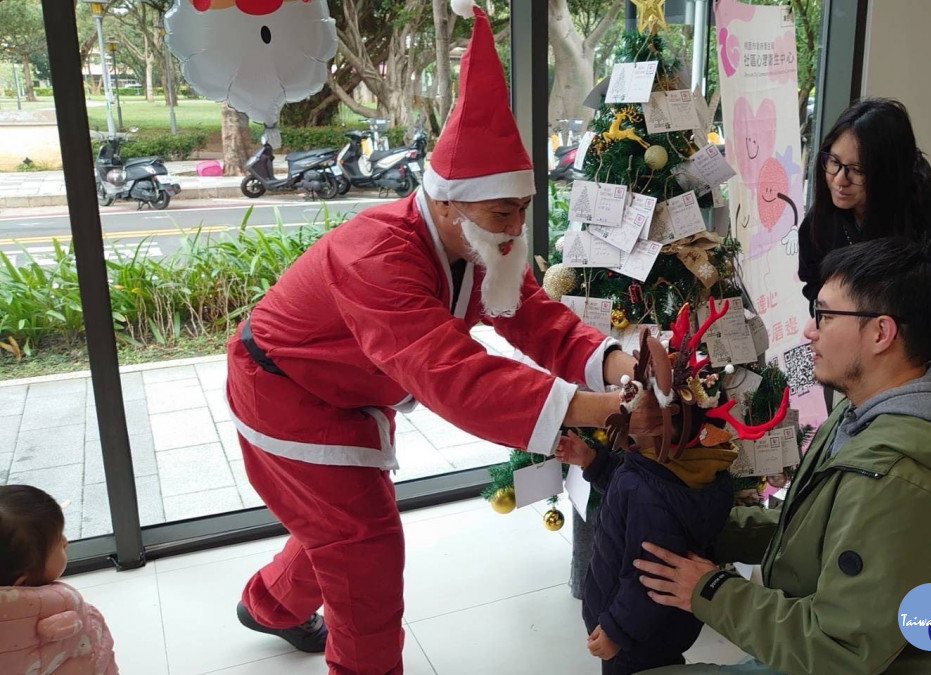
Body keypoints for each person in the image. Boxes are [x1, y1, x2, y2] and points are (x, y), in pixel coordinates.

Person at [225, 4, 654, 673]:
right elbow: (451, 372)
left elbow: (535, 317)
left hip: (343, 386)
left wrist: (616, 362)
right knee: (360, 540)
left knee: (333, 525)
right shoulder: (378, 255)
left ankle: (268, 604)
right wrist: (589, 407)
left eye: (523, 209)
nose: (516, 228)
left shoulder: (478, 238)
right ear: (449, 203)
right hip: (284, 390)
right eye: (501, 211)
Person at [631, 237, 931, 674]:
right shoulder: (861, 412)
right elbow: (812, 528)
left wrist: (709, 591)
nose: (810, 330)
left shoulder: (895, 481)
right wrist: (707, 527)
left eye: (823, 315)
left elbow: (840, 651)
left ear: (881, 332)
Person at [785, 97, 931, 379]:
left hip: (916, 382)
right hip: (866, 375)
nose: (839, 179)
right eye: (833, 162)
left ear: (888, 174)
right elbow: (814, 280)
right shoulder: (826, 216)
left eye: (858, 170)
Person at [554, 423, 734, 674]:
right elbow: (628, 482)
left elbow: (651, 577)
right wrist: (593, 461)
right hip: (653, 631)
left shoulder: (649, 494)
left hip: (633, 640)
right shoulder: (666, 465)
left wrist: (617, 631)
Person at [0, 485, 117, 674]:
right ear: (22, 582)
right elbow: (93, 651)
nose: (65, 541)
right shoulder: (61, 607)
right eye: (57, 543)